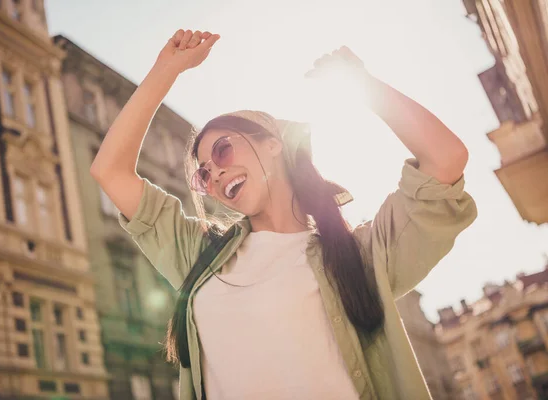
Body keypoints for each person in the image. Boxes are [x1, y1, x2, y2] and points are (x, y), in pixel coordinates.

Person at [91, 29, 477, 400]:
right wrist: (166, 70)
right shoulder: (198, 256)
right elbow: (110, 171)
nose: (215, 173)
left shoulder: (359, 255)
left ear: (274, 144)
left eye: (223, 150)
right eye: (204, 175)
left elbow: (446, 161)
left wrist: (363, 84)